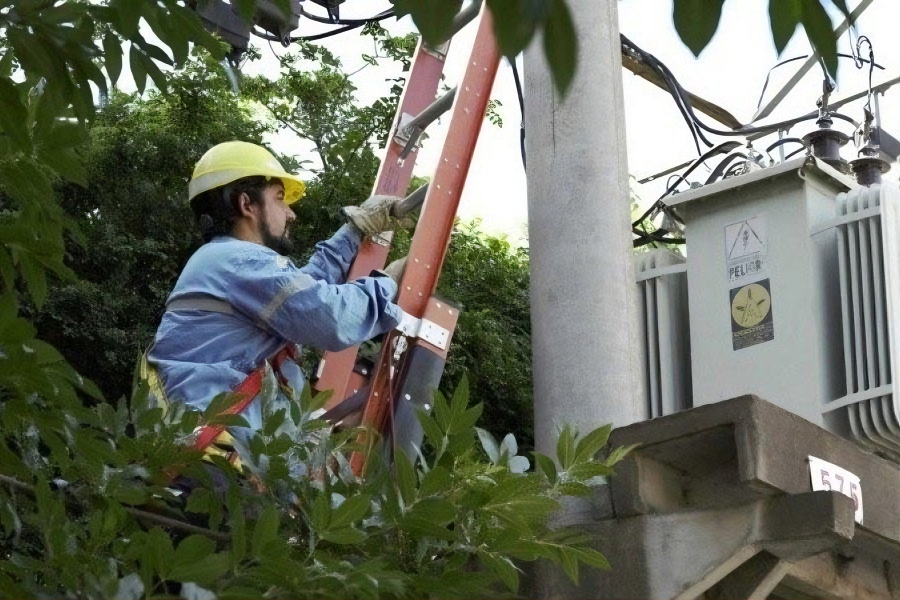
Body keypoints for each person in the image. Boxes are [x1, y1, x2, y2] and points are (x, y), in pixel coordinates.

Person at [146, 141, 406, 452]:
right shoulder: (243, 262)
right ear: (247, 204)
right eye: (280, 199)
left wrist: (353, 231)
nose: (291, 213)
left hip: (207, 452)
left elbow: (305, 291)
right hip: (222, 462)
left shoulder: (223, 262)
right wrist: (387, 284)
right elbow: (331, 317)